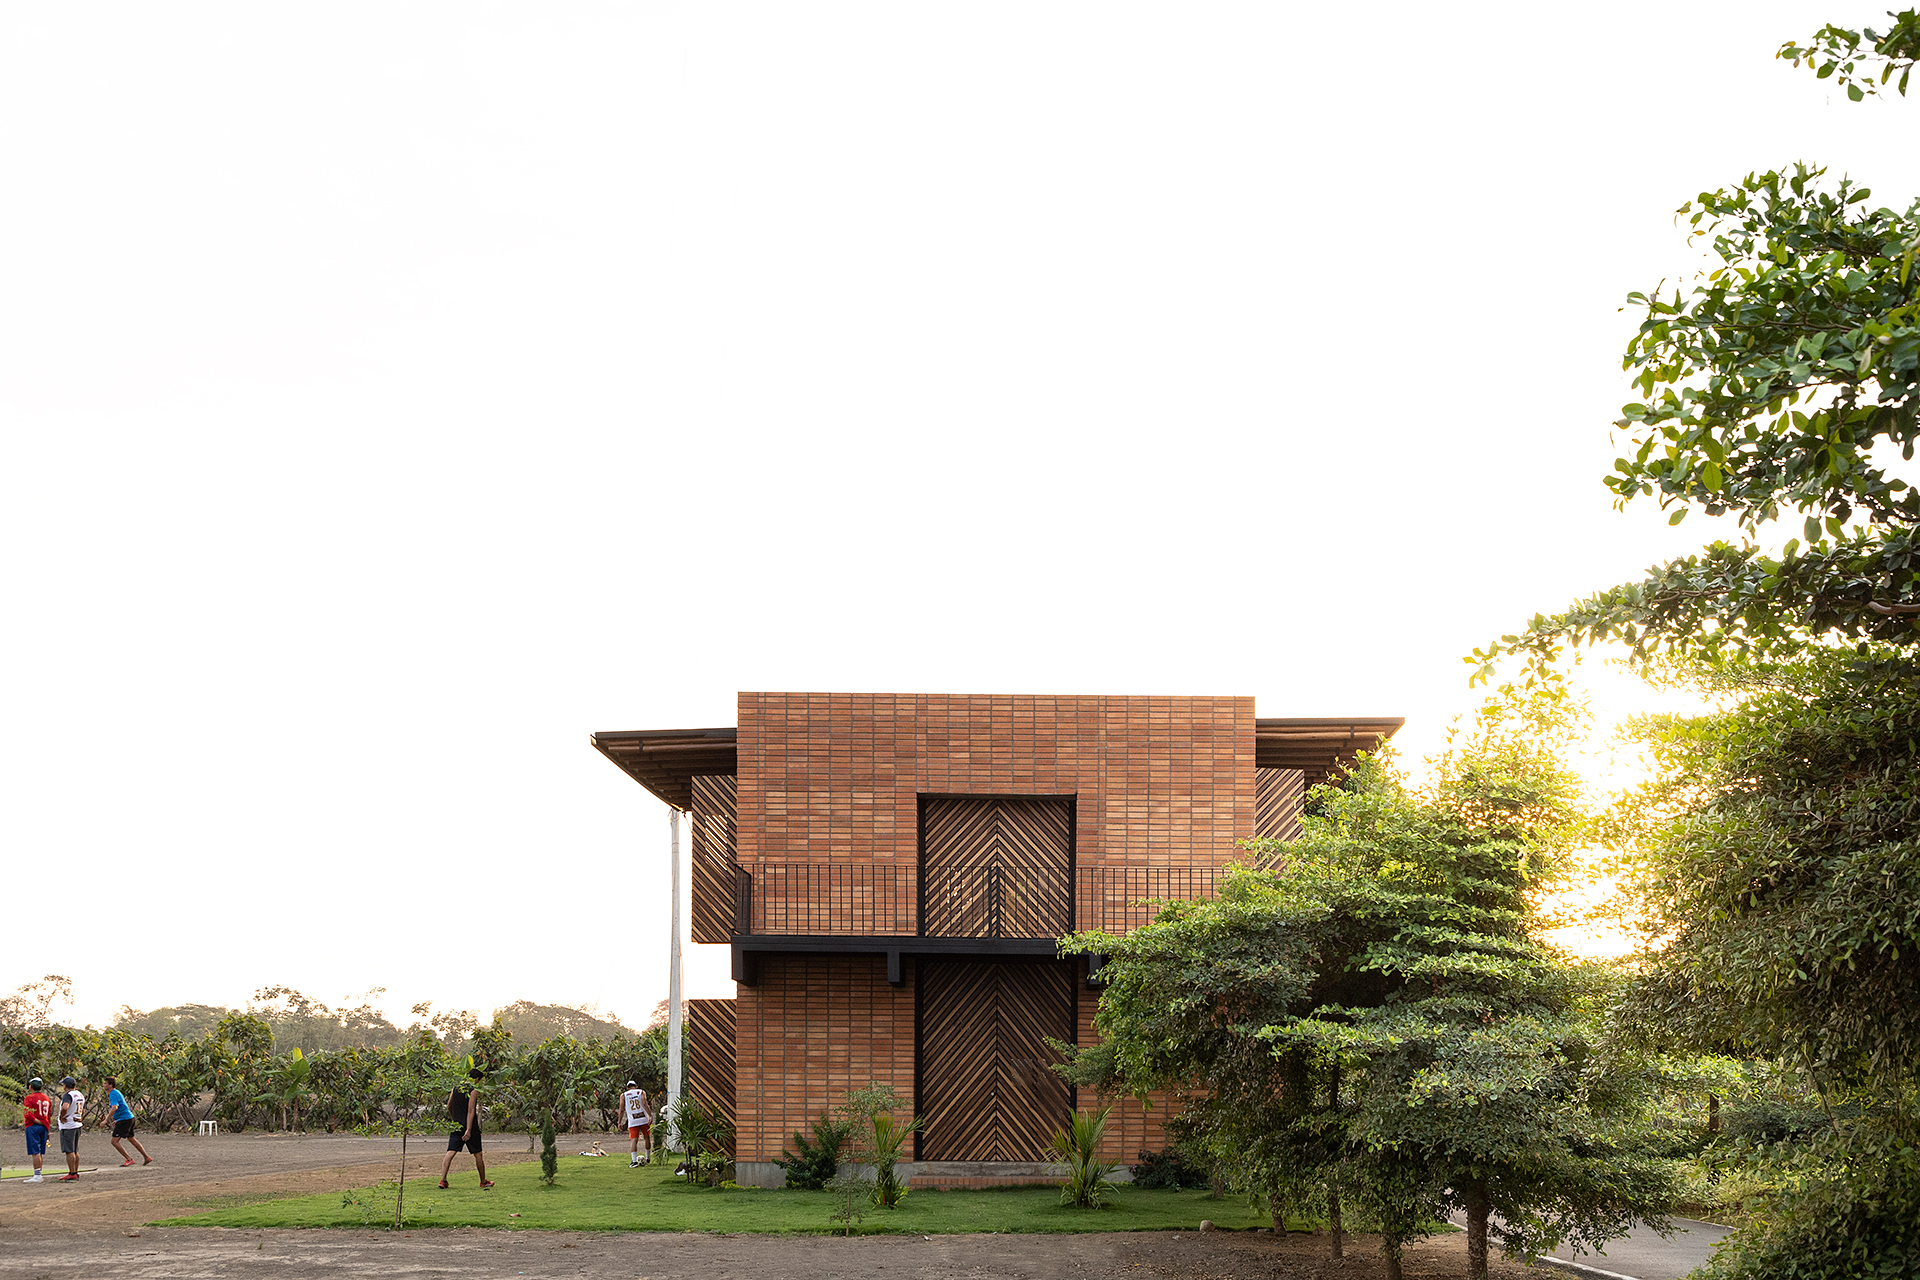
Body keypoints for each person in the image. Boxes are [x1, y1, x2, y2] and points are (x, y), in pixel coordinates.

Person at [438, 1069, 492, 1190]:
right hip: (470, 1126)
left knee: (450, 1152)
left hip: (456, 1125)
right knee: (478, 1154)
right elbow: (471, 1110)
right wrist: (468, 1129)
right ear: (477, 1079)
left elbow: (449, 1105)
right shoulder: (473, 1090)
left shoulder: (455, 1088)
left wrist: (454, 1119)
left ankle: (443, 1180)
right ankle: (483, 1181)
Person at [99, 1076, 151, 1167]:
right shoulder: (116, 1092)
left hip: (125, 1119)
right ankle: (146, 1157)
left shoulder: (113, 1094)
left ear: (110, 1085)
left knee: (114, 1141)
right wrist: (118, 1119)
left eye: (105, 1083)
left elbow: (115, 1108)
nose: (103, 1085)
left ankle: (129, 1159)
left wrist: (106, 1120)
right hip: (128, 1118)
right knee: (131, 1139)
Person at [21, 1077, 54, 1183]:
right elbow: (48, 1115)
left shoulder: (29, 1098)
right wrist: (46, 1125)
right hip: (44, 1127)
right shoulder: (46, 1098)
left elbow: (28, 1114)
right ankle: (39, 1173)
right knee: (39, 1151)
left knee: (35, 1152)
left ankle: (37, 1175)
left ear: (31, 1087)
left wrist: (38, 1121)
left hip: (33, 1126)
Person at [57, 1076, 85, 1181]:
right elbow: (83, 1109)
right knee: (75, 1149)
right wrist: (80, 1117)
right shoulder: (80, 1094)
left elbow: (65, 1107)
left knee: (69, 1150)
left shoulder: (68, 1095)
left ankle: (72, 1172)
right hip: (77, 1124)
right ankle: (75, 1171)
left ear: (65, 1086)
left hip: (68, 1126)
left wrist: (61, 1116)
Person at [621, 1080, 653, 1168]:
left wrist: (619, 1122)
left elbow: (621, 1109)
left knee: (634, 1140)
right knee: (647, 1138)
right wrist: (650, 1115)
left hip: (633, 1121)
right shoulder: (641, 1092)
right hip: (643, 1119)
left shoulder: (624, 1095)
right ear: (636, 1086)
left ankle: (634, 1161)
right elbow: (645, 1104)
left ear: (627, 1088)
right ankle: (648, 1158)